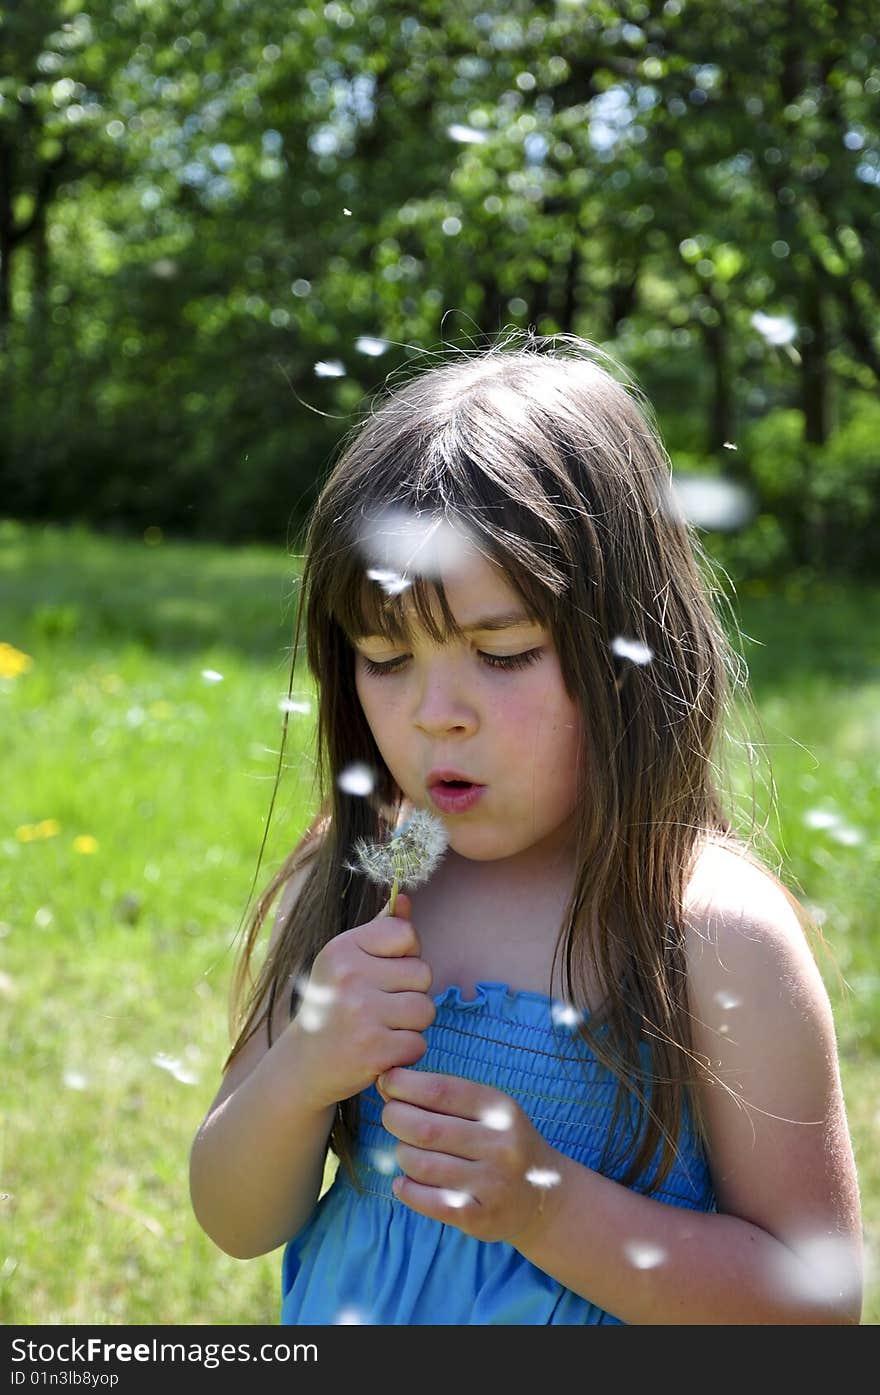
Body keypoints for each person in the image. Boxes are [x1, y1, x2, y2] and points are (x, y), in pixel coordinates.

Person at [189, 331, 862, 1325]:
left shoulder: (710, 935)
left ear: (629, 649)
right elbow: (237, 1219)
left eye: (500, 653)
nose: (435, 713)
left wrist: (544, 1205)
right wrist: (300, 1073)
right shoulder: (365, 878)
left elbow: (815, 1307)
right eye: (384, 656)